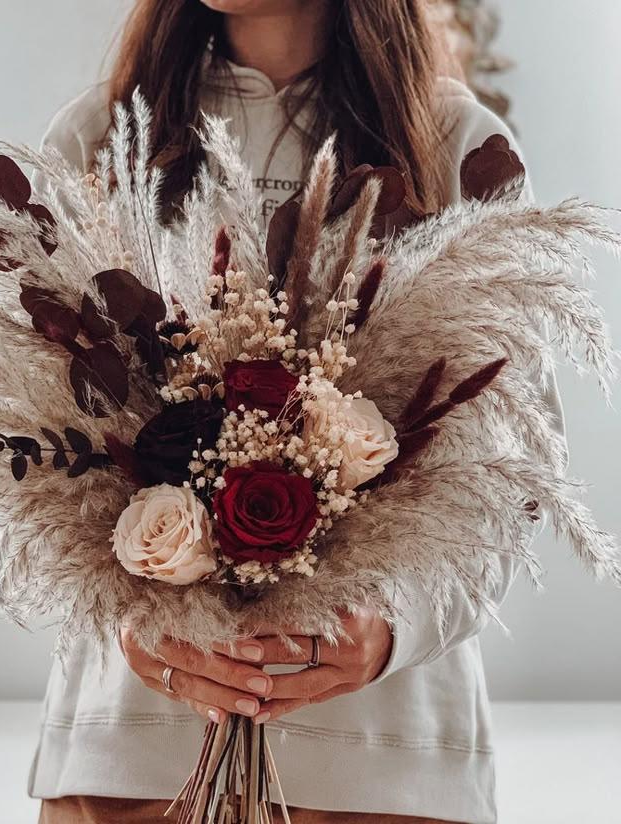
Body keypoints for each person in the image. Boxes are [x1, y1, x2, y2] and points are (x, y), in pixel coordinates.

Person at [30, 2, 564, 822]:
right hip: (132, 758)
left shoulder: (454, 143)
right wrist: (134, 623)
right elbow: (25, 454)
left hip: (383, 761)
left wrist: (392, 632)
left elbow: (517, 466)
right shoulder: (101, 137)